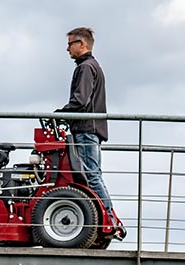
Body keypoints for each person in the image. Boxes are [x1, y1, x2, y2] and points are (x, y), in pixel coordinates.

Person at [57, 27, 115, 224]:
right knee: (92, 175)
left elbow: (80, 100)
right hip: (90, 130)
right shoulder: (93, 66)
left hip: (85, 131)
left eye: (70, 44)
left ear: (81, 44)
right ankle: (107, 218)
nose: (67, 49)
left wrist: (60, 114)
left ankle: (109, 218)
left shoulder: (85, 67)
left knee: (91, 176)